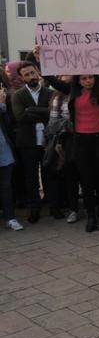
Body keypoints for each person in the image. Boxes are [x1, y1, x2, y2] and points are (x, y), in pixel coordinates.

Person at [35, 45, 99, 232]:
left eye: (90, 77)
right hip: (81, 141)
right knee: (86, 180)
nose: (88, 80)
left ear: (95, 77)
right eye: (84, 78)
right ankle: (91, 216)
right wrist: (39, 58)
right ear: (79, 79)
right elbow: (50, 78)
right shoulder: (72, 90)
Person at [11, 61, 58, 223]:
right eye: (26, 75)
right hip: (27, 143)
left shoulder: (50, 93)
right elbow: (20, 117)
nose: (31, 77)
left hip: (47, 141)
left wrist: (30, 110)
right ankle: (34, 210)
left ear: (38, 72)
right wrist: (43, 112)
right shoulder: (17, 95)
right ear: (22, 78)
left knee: (49, 175)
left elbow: (53, 113)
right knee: (31, 178)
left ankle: (54, 207)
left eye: (32, 73)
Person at [44, 75, 80, 224]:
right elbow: (52, 125)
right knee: (71, 175)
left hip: (86, 138)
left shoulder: (82, 91)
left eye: (69, 73)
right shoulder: (57, 97)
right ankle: (73, 209)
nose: (66, 76)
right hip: (68, 141)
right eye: (62, 74)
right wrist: (71, 125)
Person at [0, 87, 22, 231]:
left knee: (6, 186)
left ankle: (10, 217)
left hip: (3, 149)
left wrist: (2, 106)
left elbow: (8, 123)